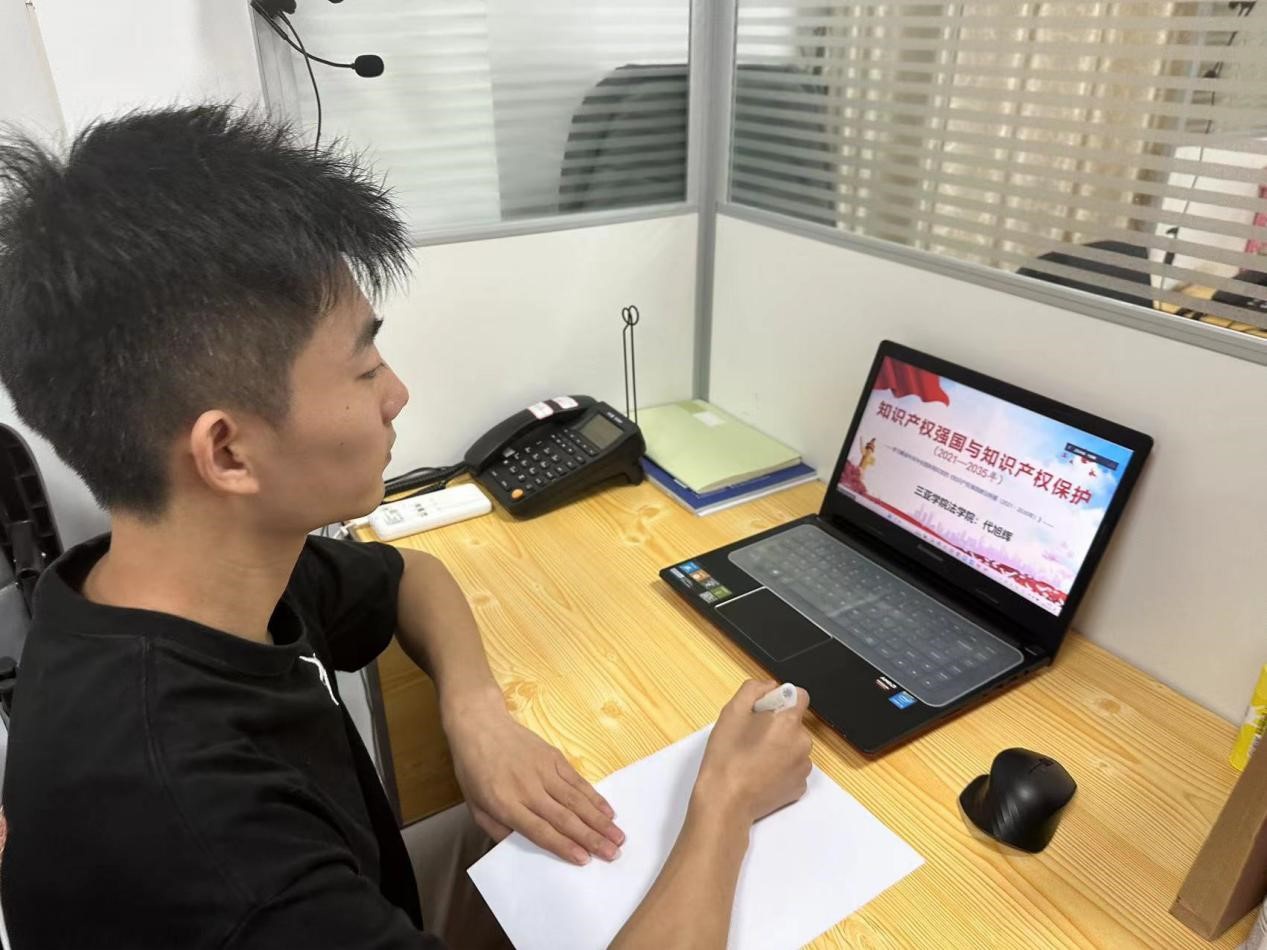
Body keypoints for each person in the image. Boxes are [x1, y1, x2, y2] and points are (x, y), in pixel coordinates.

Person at [0, 105, 813, 947]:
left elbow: (409, 578)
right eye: (363, 368)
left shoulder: (174, 575)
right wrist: (727, 804)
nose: (396, 394)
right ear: (228, 453)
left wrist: (475, 713)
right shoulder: (210, 848)